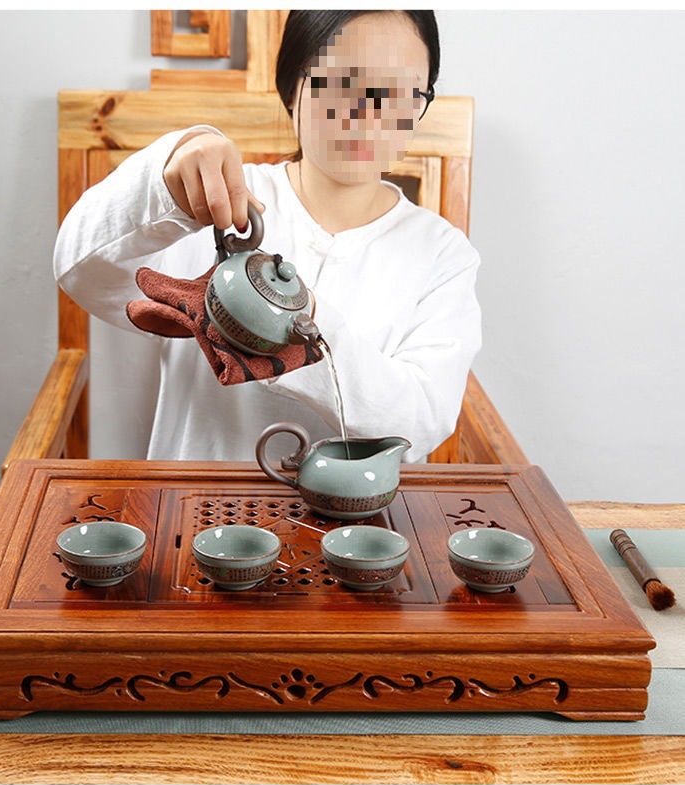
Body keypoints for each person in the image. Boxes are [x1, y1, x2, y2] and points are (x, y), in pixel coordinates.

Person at [53, 10, 481, 464]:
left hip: (356, 511)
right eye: (345, 82)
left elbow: (419, 421)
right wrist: (166, 184)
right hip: (194, 497)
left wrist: (297, 328)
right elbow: (78, 269)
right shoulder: (217, 198)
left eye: (399, 93)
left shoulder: (442, 252)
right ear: (293, 88)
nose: (370, 113)